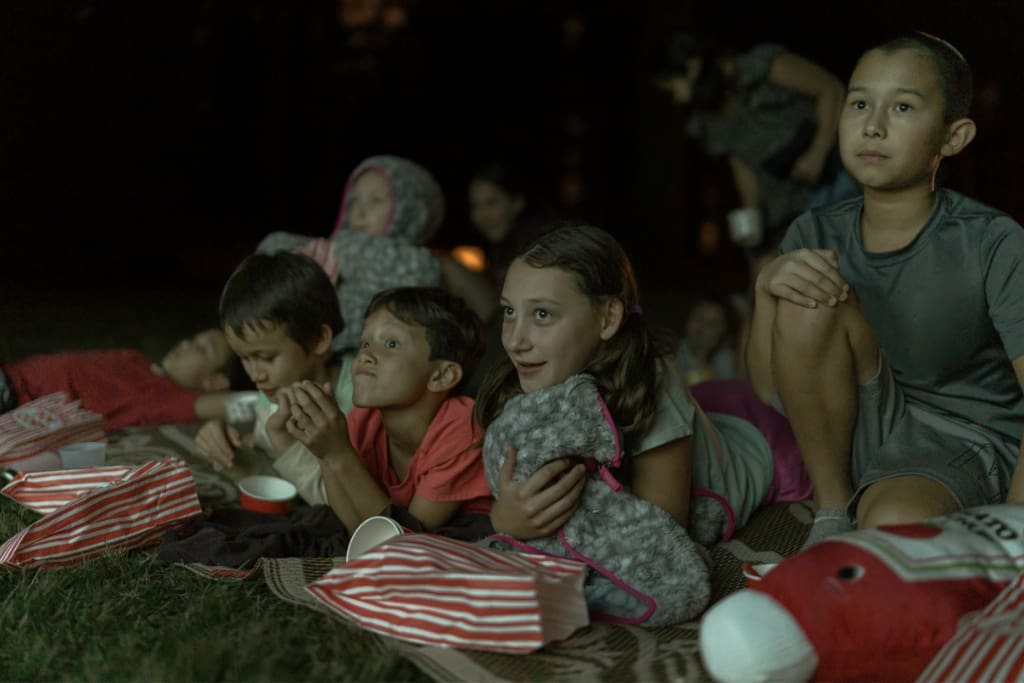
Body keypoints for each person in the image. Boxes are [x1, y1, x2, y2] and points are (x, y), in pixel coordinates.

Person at [745, 32, 1024, 550]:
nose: (872, 125)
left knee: (892, 530)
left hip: (963, 437)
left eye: (901, 106)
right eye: (858, 103)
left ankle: (913, 515)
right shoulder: (813, 232)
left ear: (953, 136)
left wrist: (1014, 532)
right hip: (859, 428)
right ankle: (832, 509)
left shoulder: (993, 241)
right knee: (807, 289)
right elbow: (770, 391)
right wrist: (766, 289)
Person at [474, 225, 811, 614]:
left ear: (607, 318)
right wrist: (503, 519)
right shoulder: (533, 369)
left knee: (780, 409)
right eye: (509, 311)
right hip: (706, 412)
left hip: (755, 444)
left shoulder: (651, 384)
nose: (516, 340)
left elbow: (660, 533)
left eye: (543, 314)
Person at [258, 154, 495, 403]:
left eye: (376, 201)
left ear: (409, 211)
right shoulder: (331, 260)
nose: (360, 210)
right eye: (354, 200)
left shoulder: (419, 265)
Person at [278, 286, 491, 534]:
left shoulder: (462, 427)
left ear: (442, 375)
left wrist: (339, 453)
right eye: (365, 342)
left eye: (391, 344)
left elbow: (402, 540)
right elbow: (353, 529)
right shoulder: (364, 421)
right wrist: (324, 451)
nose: (366, 354)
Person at [654, 31, 859, 254]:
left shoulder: (761, 65)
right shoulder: (707, 121)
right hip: (786, 202)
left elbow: (830, 89)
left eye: (672, 88)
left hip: (835, 178)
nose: (676, 99)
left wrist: (817, 153)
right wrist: (752, 219)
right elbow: (742, 164)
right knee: (770, 265)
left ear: (691, 67)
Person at [194, 250, 346, 503]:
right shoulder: (272, 400)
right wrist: (233, 455)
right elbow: (284, 487)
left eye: (266, 358)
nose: (255, 375)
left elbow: (344, 506)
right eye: (244, 358)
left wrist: (284, 442)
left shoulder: (361, 399)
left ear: (319, 340)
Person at [0, 328, 248, 431]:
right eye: (193, 339)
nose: (186, 344)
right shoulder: (137, 360)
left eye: (203, 350)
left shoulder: (163, 395)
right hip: (12, 372)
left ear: (215, 382)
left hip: (13, 397)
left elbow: (241, 404)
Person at [673, 291, 739, 386]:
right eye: (698, 318)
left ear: (722, 328)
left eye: (711, 323)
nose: (702, 327)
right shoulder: (673, 356)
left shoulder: (726, 358)